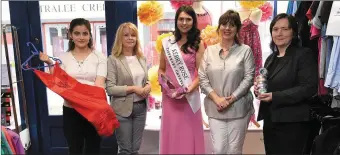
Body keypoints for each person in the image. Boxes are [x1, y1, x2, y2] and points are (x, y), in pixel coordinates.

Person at [39, 18, 107, 154]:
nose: (81, 37)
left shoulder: (100, 57)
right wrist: (49, 63)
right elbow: (59, 83)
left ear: (90, 35)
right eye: (77, 33)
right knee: (74, 149)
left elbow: (99, 86)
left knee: (93, 149)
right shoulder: (63, 57)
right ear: (70, 35)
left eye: (85, 33)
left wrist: (76, 94)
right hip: (71, 110)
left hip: (93, 110)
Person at [254, 13, 318, 154]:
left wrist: (275, 96)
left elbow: (308, 88)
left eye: (285, 29)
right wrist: (258, 90)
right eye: (275, 29)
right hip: (271, 121)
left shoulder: (303, 55)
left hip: (293, 123)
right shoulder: (271, 58)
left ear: (293, 32)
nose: (279, 33)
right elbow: (266, 84)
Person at [198, 10, 255, 154]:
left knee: (234, 150)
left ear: (237, 29)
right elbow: (202, 78)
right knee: (218, 150)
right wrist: (217, 99)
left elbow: (249, 78)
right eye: (224, 24)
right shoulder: (209, 51)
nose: (227, 28)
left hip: (239, 108)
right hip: (215, 108)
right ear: (219, 27)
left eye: (232, 25)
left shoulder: (245, 51)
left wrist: (231, 99)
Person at [158, 5, 205, 154]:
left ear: (193, 21)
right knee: (171, 134)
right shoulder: (167, 43)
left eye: (188, 19)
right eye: (181, 19)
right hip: (170, 98)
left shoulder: (198, 43)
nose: (184, 23)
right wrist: (166, 86)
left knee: (188, 135)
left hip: (189, 98)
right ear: (176, 21)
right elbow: (161, 69)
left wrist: (188, 89)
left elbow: (202, 73)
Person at [106, 22, 150, 155]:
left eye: (133, 35)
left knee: (135, 150)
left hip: (140, 108)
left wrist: (148, 85)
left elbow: (145, 80)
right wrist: (134, 89)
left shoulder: (141, 58)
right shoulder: (113, 60)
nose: (130, 38)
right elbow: (110, 88)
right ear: (120, 38)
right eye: (126, 35)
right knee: (125, 150)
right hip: (121, 109)